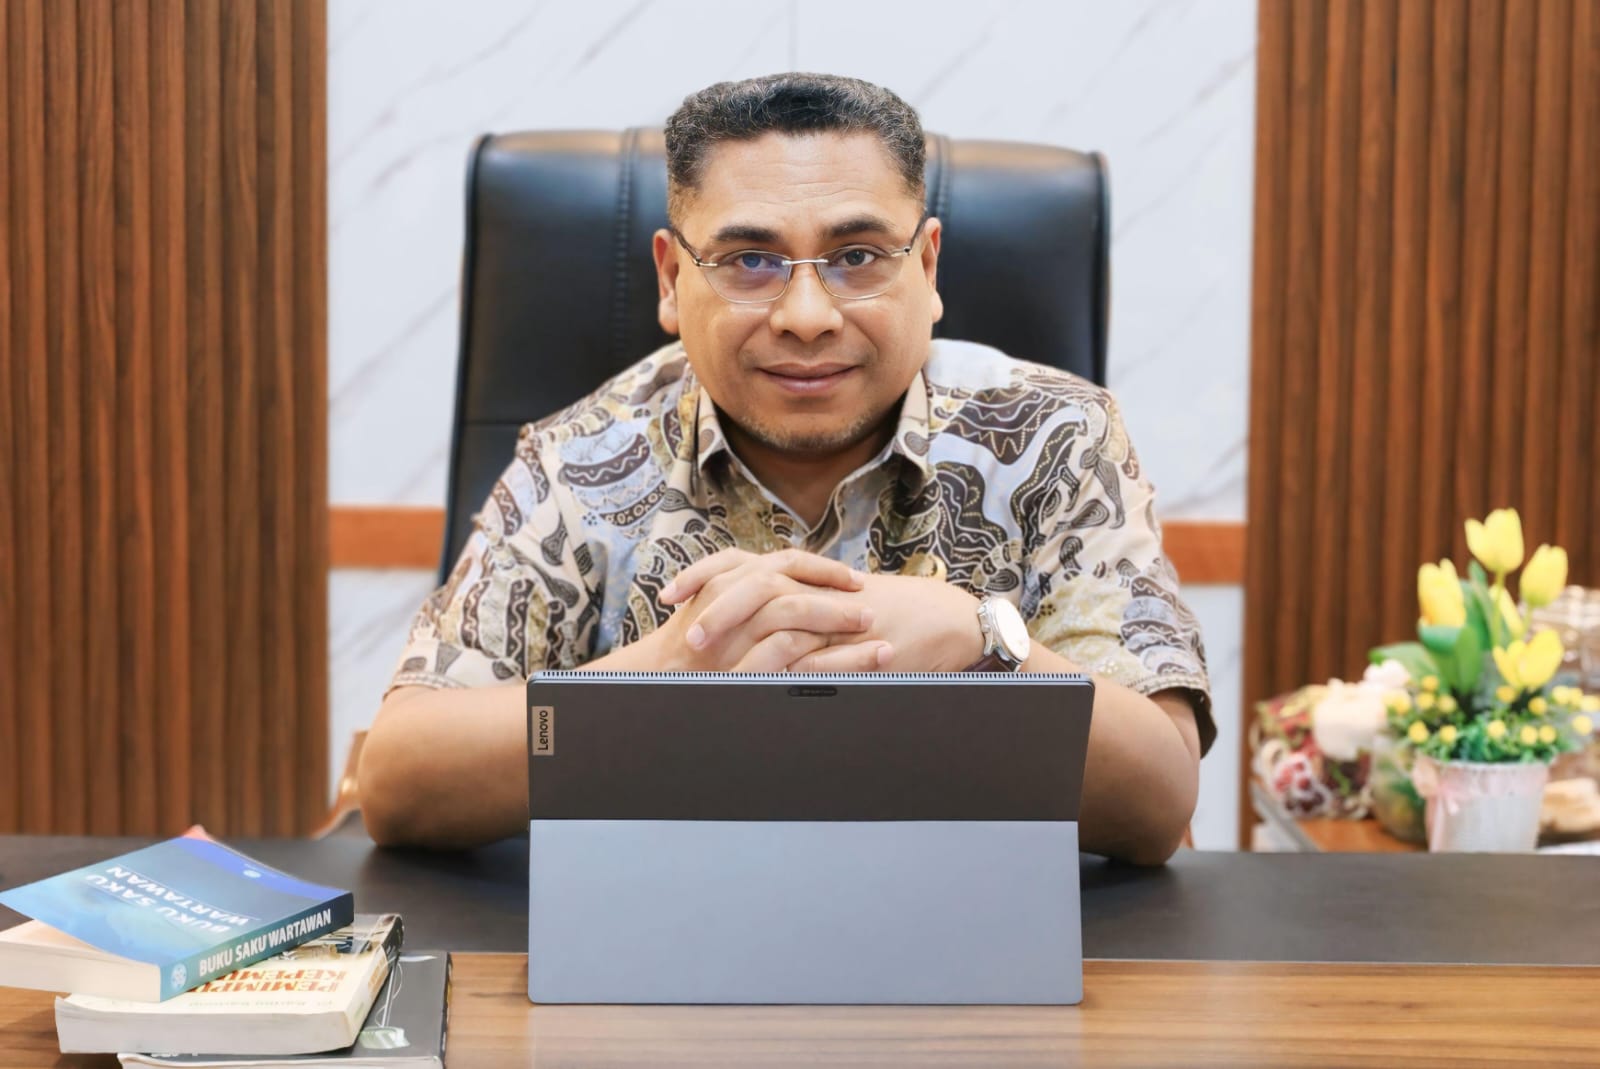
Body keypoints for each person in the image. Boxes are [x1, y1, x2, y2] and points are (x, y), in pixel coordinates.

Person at [360, 72, 1213, 865]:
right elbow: (396, 782)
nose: (807, 316)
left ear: (926, 266)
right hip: (663, 935)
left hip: (977, 936)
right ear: (670, 278)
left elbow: (1161, 797)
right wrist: (664, 675)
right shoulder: (584, 459)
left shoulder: (1056, 438)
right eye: (750, 262)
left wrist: (980, 638)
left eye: (857, 256)